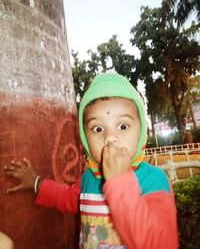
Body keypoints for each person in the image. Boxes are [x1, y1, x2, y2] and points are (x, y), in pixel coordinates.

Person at [4, 73, 178, 249]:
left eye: (123, 126)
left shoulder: (154, 180)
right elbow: (67, 198)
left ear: (142, 132)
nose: (110, 138)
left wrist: (120, 182)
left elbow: (163, 244)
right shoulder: (89, 178)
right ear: (85, 139)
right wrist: (35, 182)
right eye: (98, 128)